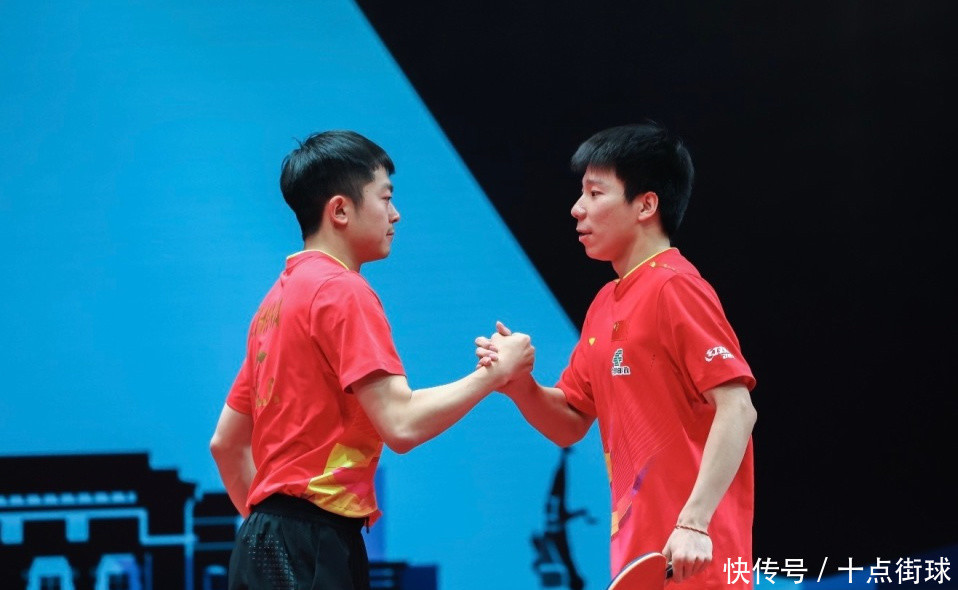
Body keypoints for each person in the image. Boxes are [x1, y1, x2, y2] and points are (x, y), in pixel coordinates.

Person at [209, 129, 534, 590]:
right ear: (340, 210)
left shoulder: (273, 305)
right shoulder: (342, 291)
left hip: (261, 542)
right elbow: (400, 424)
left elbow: (225, 444)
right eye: (385, 198)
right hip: (314, 543)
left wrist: (274, 532)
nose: (395, 214)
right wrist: (496, 373)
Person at [477, 122, 757, 588]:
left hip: (696, 559)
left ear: (646, 205)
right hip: (637, 561)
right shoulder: (605, 303)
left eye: (595, 193)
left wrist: (693, 523)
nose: (577, 208)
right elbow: (569, 421)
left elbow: (738, 409)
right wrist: (519, 385)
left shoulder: (675, 287)